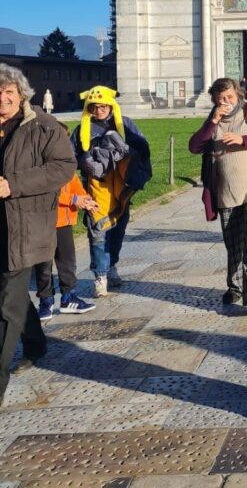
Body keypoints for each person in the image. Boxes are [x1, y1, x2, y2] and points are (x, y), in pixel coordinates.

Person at [0, 64, 76, 398]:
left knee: (5, 304)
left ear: (21, 95)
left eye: (8, 93)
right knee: (11, 300)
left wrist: (12, 185)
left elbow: (63, 167)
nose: (2, 99)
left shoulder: (43, 127)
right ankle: (35, 342)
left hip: (24, 228)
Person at [189, 77, 247, 313]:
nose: (226, 102)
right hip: (225, 191)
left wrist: (243, 139)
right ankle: (236, 285)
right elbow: (194, 146)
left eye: (229, 97)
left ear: (238, 95)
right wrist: (213, 121)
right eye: (220, 99)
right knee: (233, 242)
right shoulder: (213, 120)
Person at [72, 86, 152, 298]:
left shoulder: (124, 124)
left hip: (121, 188)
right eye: (94, 107)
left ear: (110, 106)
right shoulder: (81, 130)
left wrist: (125, 152)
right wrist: (87, 162)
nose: (99, 111)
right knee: (97, 232)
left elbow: (143, 149)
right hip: (96, 188)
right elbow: (71, 158)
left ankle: (112, 265)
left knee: (117, 230)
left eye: (103, 106)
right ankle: (100, 276)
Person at [35, 144, 98, 320]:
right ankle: (45, 301)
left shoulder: (67, 168)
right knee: (43, 264)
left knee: (67, 261)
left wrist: (86, 201)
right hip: (43, 221)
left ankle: (68, 297)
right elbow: (45, 193)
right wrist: (73, 199)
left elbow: (76, 188)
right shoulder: (40, 167)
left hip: (64, 222)